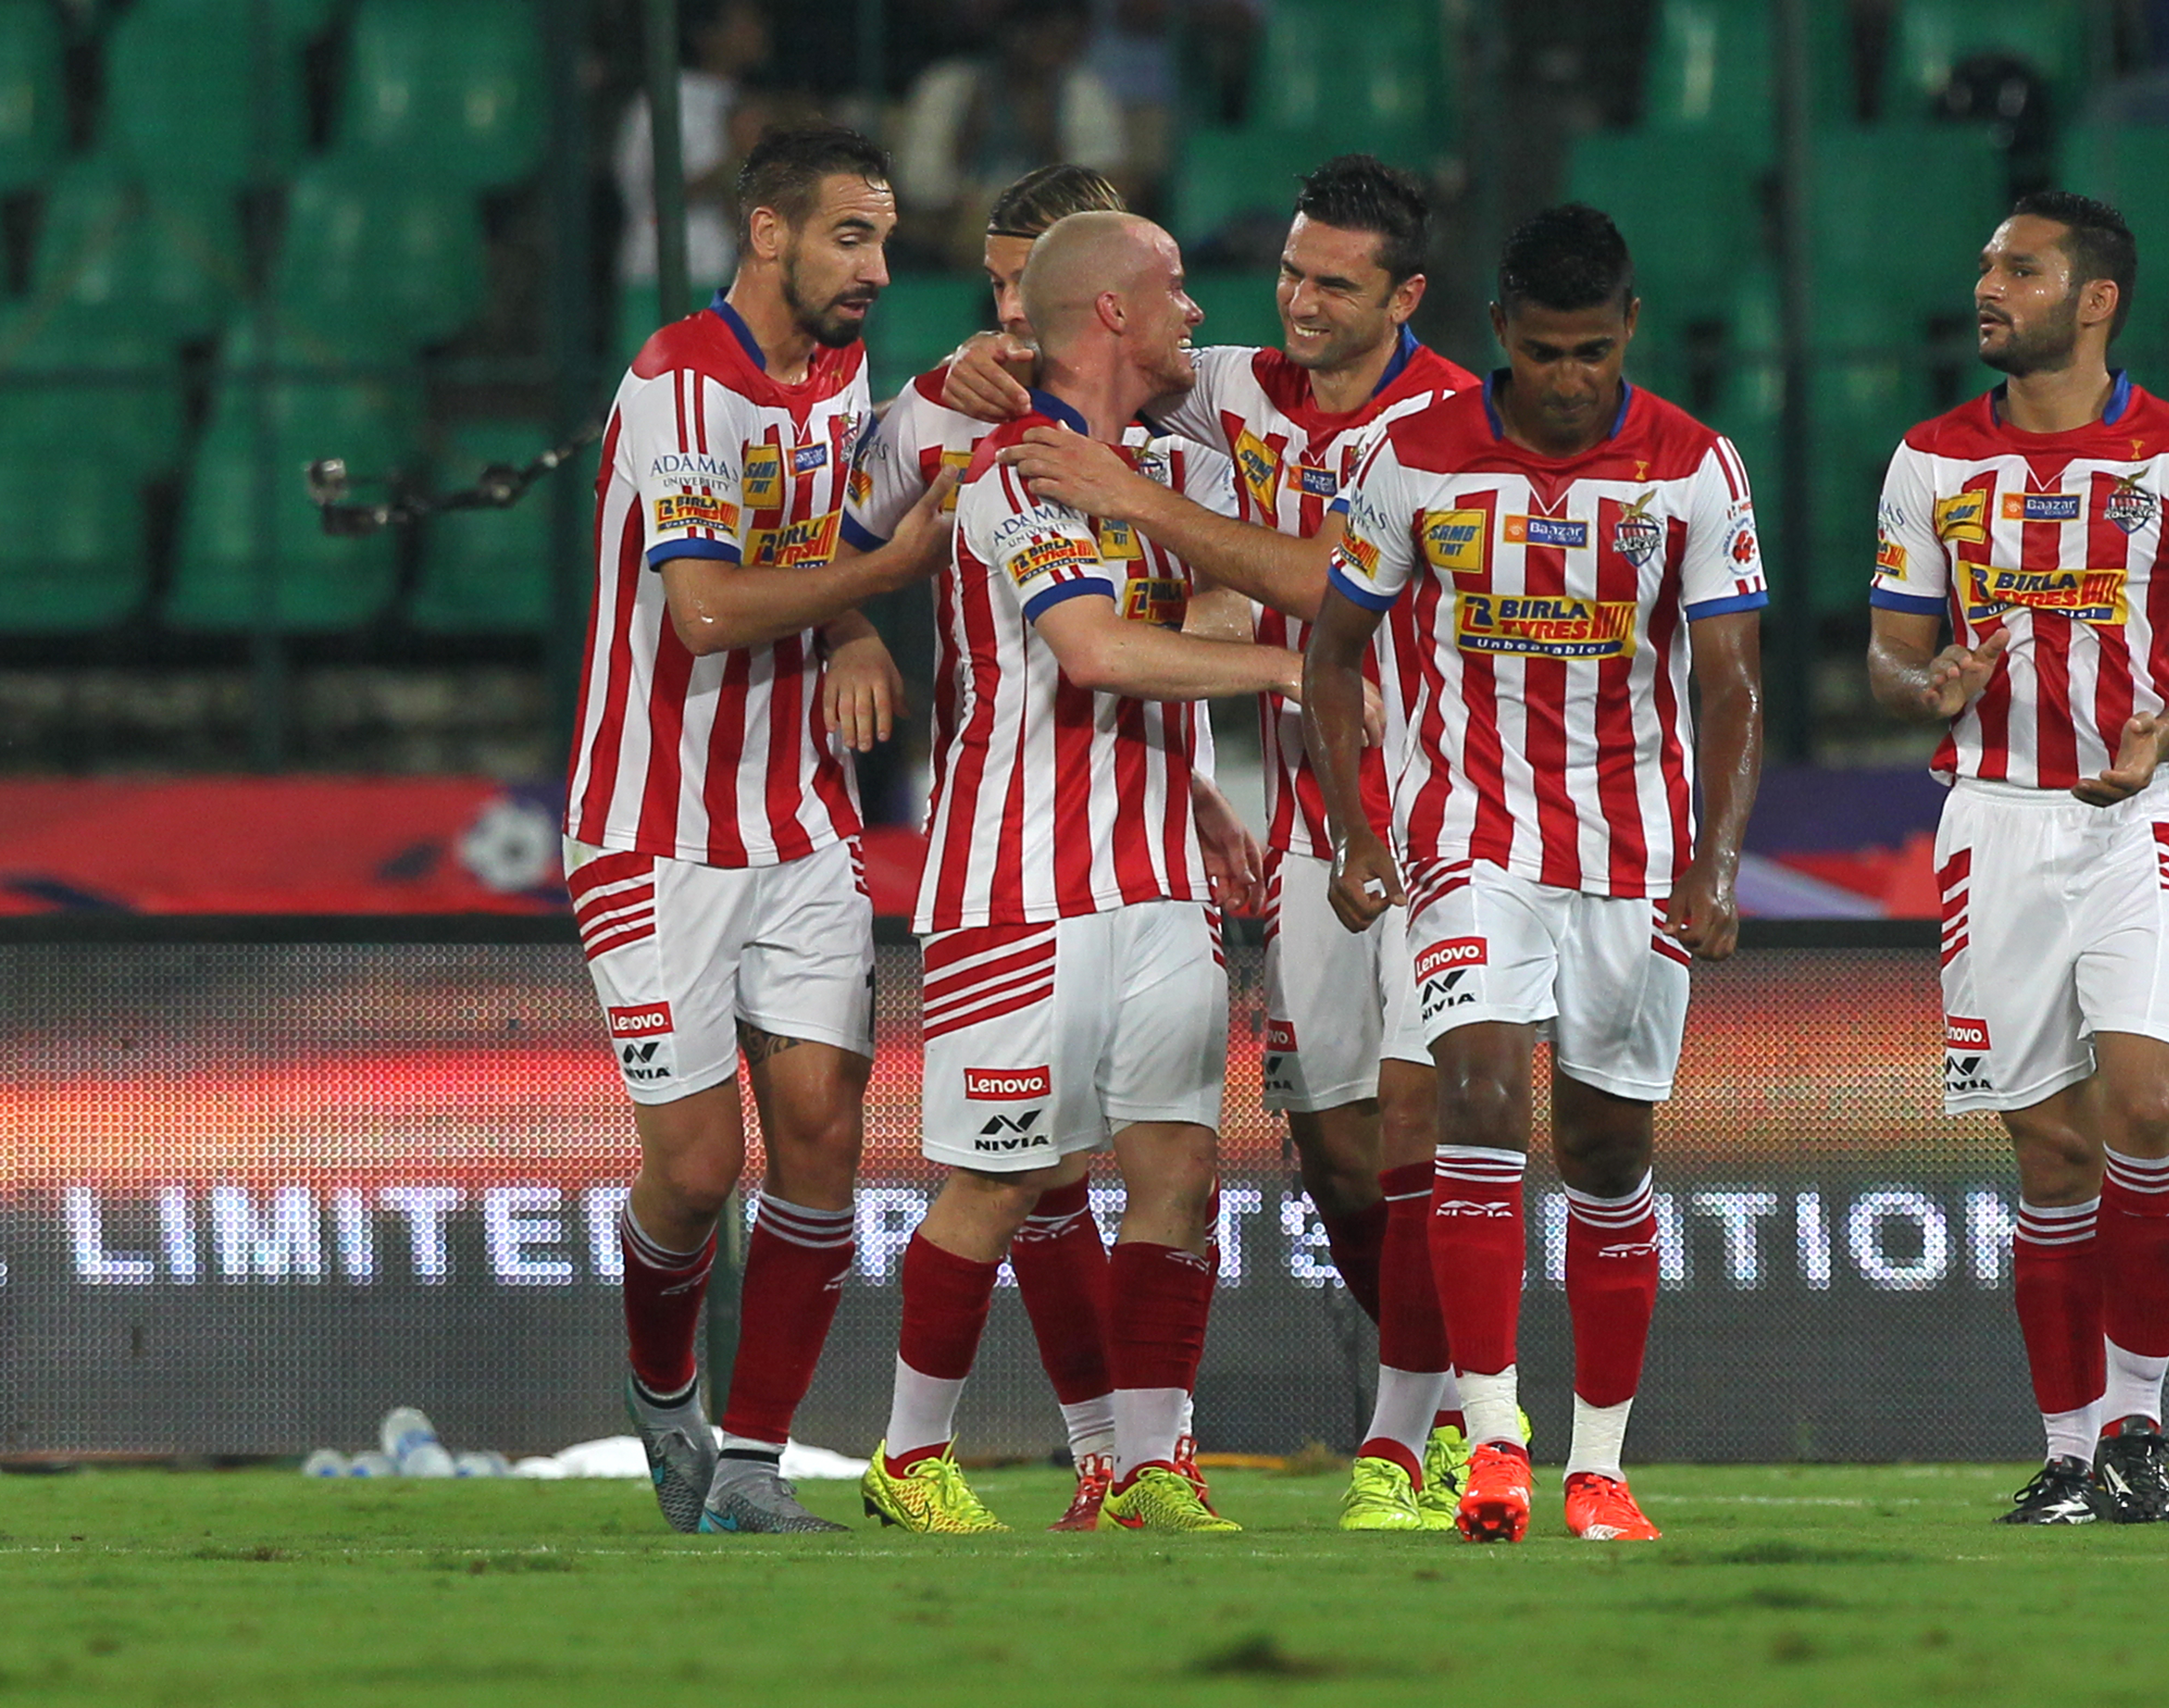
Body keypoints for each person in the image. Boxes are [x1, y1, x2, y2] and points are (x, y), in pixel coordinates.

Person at [947, 155, 1483, 1532]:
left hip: (1449, 814)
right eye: (1291, 272)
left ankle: (1413, 1441)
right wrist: (986, 363)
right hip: (1310, 827)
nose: (1296, 302)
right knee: (1340, 1156)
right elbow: (1087, 347)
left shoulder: (1446, 425)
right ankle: (1419, 1413)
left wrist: (1143, 510)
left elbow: (1334, 583)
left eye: (1333, 284)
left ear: (1403, 297)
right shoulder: (1229, 386)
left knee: (1431, 1126)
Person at [1303, 205, 1767, 1544]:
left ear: (1626, 330)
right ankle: (1495, 1440)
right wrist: (1356, 828)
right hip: (1469, 842)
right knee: (1476, 1094)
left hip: (1631, 857)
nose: (1568, 378)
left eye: (1592, 351)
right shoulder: (1413, 461)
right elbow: (1331, 659)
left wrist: (1717, 862)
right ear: (1499, 331)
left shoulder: (1690, 466)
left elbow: (1730, 686)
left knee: (1611, 1150)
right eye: (1545, 350)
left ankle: (1599, 1468)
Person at [855, 210, 1311, 1536]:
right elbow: (1099, 651)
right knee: (1001, 1180)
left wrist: (1227, 644)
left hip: (1156, 882)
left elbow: (1218, 602)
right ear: (1108, 312)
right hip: (1020, 887)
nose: (1193, 312)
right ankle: (906, 1456)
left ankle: (1151, 1469)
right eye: (1171, 288)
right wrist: (1281, 666)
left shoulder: (1164, 477)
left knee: (1177, 1165)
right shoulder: (1010, 476)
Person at [1866, 191, 2169, 1525]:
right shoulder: (1926, 461)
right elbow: (1883, 657)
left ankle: (2137, 1427)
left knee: (2147, 1109)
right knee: (2045, 1153)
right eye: (1986, 262)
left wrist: (2166, 728)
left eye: (2021, 268)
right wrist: (1919, 680)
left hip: (2147, 808)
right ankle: (2065, 1453)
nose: (1988, 285)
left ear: (2093, 300)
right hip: (1990, 819)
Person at [566, 123, 952, 1534]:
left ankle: (750, 1463)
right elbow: (710, 607)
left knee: (820, 1138)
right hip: (649, 828)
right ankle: (664, 1389)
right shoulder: (679, 383)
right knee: (693, 1169)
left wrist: (850, 619)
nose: (876, 267)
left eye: (887, 238)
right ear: (767, 232)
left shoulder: (840, 376)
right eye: (851, 235)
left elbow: (798, 532)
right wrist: (887, 572)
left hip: (799, 821)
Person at [897, 0, 1133, 268]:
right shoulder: (949, 85)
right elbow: (918, 188)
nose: (1043, 49)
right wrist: (965, 143)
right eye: (1036, 33)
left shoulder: (1083, 91)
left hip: (1053, 225)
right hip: (962, 220)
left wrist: (1051, 143)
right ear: (1008, 33)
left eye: (1058, 40)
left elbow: (1106, 193)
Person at [613, 0, 775, 293]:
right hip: (661, 279)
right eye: (744, 24)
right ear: (706, 35)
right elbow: (659, 194)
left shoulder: (743, 100)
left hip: (725, 279)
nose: (758, 33)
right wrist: (741, 158)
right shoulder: (666, 98)